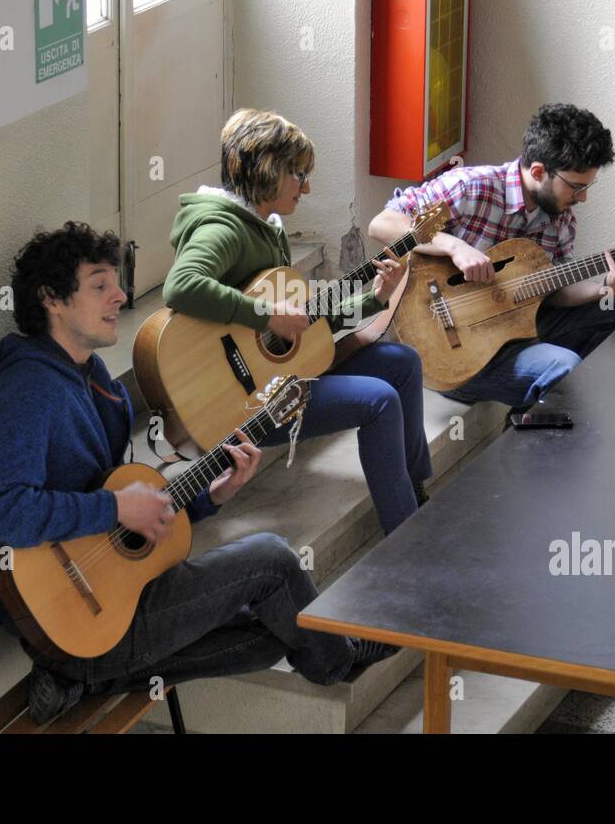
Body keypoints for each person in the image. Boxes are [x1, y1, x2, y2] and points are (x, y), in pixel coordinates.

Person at [0, 222, 392, 723]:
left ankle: (82, 679)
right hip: (74, 618)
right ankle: (337, 660)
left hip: (111, 600)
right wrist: (115, 507)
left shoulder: (92, 377)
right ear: (52, 300)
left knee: (272, 632)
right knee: (272, 561)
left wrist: (211, 494)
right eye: (100, 285)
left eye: (116, 283)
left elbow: (127, 495)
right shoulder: (31, 386)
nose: (120, 297)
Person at [163, 108, 433, 535]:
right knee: (379, 400)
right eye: (299, 175)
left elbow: (302, 327)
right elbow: (181, 286)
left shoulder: (267, 228)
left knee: (402, 363)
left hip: (279, 378)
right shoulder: (222, 230)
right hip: (244, 402)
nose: (306, 187)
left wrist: (374, 298)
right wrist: (266, 314)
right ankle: (406, 536)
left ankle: (416, 491)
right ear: (269, 172)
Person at [368, 103, 615, 410]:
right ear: (538, 171)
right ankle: (541, 404)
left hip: (511, 329)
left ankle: (543, 405)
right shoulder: (472, 186)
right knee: (563, 366)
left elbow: (553, 291)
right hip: (451, 350)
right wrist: (454, 246)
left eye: (587, 186)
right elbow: (383, 224)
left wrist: (606, 286)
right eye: (576, 187)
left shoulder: (560, 217)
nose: (583, 198)